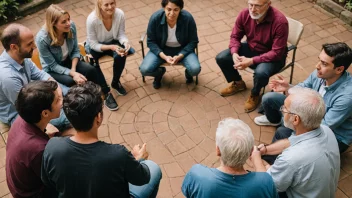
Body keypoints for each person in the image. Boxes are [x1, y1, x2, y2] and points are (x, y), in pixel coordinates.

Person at [41, 82, 162, 198]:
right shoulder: (118, 154)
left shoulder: (52, 146)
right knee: (152, 167)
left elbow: (47, 182)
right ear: (98, 117)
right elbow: (143, 178)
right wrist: (137, 159)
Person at [254, 42, 352, 153]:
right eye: (319, 60)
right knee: (269, 99)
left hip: (334, 135)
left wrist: (294, 124)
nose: (317, 66)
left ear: (339, 70)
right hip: (309, 111)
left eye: (324, 64)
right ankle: (275, 121)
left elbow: (323, 127)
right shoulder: (320, 73)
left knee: (283, 132)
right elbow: (303, 87)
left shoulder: (347, 97)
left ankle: (274, 163)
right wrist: (288, 88)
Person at [251, 87, 340, 198]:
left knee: (255, 190)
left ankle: (272, 171)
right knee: (282, 132)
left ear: (296, 119)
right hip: (323, 191)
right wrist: (266, 150)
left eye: (285, 108)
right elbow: (291, 141)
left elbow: (265, 186)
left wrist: (256, 158)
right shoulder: (326, 130)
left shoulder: (291, 159)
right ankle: (273, 170)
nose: (282, 110)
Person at [35, 4, 119, 111]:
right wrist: (73, 74)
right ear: (53, 23)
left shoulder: (71, 27)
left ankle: (104, 94)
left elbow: (75, 50)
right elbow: (52, 65)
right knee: (70, 81)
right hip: (53, 69)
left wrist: (73, 69)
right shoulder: (42, 39)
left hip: (70, 61)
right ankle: (81, 102)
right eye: (64, 22)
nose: (68, 23)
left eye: (68, 19)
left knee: (91, 70)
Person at [216, 0, 288, 112]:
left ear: (268, 5)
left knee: (261, 72)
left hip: (273, 57)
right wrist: (234, 52)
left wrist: (251, 61)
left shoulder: (280, 22)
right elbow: (235, 36)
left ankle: (255, 93)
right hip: (252, 48)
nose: (253, 9)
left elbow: (276, 53)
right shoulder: (244, 14)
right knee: (222, 58)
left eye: (257, 6)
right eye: (250, 4)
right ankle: (238, 83)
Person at [182, 118, 278, 198]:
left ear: (218, 150)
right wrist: (257, 161)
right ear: (250, 152)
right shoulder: (266, 182)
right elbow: (264, 182)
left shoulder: (197, 175)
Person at [0, 23, 70, 132]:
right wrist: (56, 102)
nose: (34, 46)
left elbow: (41, 75)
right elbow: (27, 109)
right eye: (29, 44)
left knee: (70, 93)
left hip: (30, 95)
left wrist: (57, 89)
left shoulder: (22, 56)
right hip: (18, 114)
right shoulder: (8, 77)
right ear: (14, 47)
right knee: (69, 116)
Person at [6, 81, 61, 198]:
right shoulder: (39, 149)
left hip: (19, 184)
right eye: (57, 101)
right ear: (45, 113)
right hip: (32, 193)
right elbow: (55, 180)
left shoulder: (22, 119)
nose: (62, 102)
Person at [139, 0, 201, 89]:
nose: (172, 13)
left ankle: (189, 74)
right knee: (144, 70)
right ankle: (159, 73)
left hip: (182, 49)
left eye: (176, 10)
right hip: (162, 49)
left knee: (195, 69)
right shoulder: (155, 18)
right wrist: (164, 56)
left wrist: (180, 55)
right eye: (169, 9)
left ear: (180, 9)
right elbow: (150, 42)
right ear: (164, 8)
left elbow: (193, 41)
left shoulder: (187, 18)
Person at [86, 0, 134, 98]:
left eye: (112, 3)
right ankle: (106, 92)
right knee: (92, 62)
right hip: (96, 46)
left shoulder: (120, 14)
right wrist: (111, 47)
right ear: (99, 5)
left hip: (112, 41)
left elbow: (121, 34)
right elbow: (93, 44)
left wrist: (125, 43)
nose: (110, 7)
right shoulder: (92, 19)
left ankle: (115, 83)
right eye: (106, 4)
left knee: (122, 55)